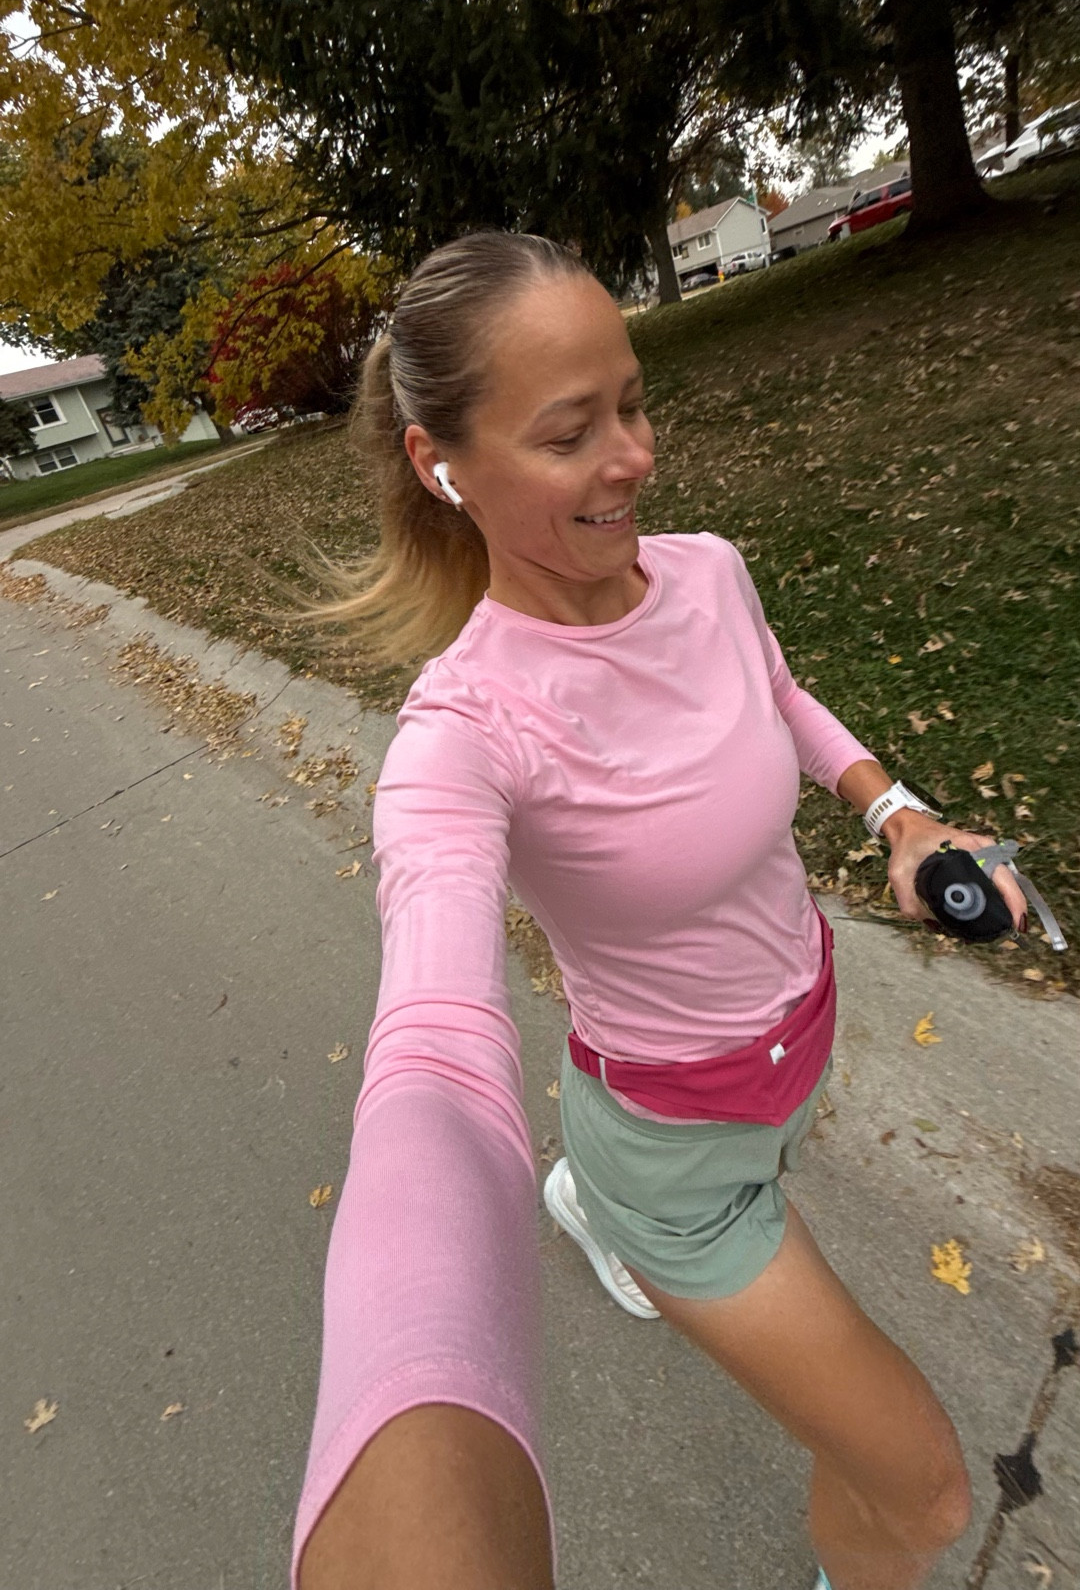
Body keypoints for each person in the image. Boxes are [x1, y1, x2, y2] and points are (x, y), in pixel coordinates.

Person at [292, 232, 1025, 1590]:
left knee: (861, 1441)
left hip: (792, 1061)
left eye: (632, 403)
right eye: (574, 432)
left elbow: (781, 698)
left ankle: (588, 1196)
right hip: (682, 1165)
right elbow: (436, 1047)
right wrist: (415, 1369)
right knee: (917, 1493)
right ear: (440, 466)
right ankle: (608, 1199)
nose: (633, 456)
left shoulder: (708, 572)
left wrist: (896, 814)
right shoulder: (462, 731)